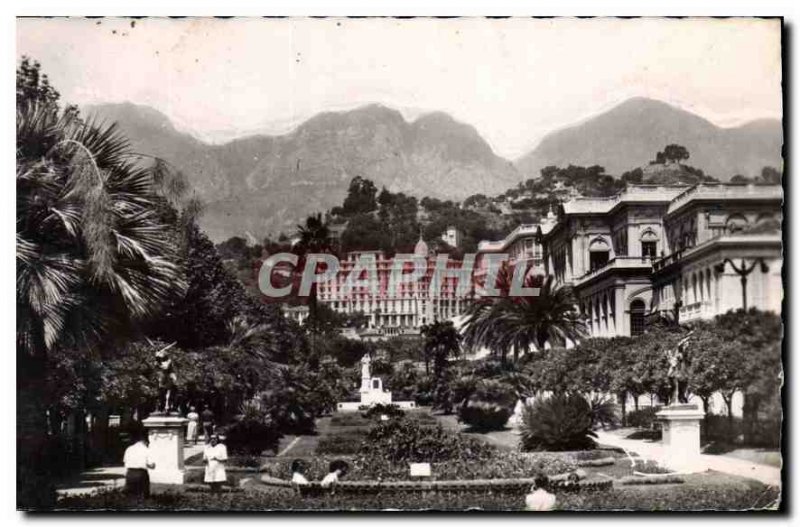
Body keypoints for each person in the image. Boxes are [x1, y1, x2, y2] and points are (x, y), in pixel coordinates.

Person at [123, 430, 155, 499]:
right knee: (143, 495)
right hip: (141, 474)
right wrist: (151, 465)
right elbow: (151, 465)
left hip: (130, 473)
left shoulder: (129, 449)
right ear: (145, 441)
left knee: (130, 496)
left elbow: (125, 461)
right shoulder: (146, 450)